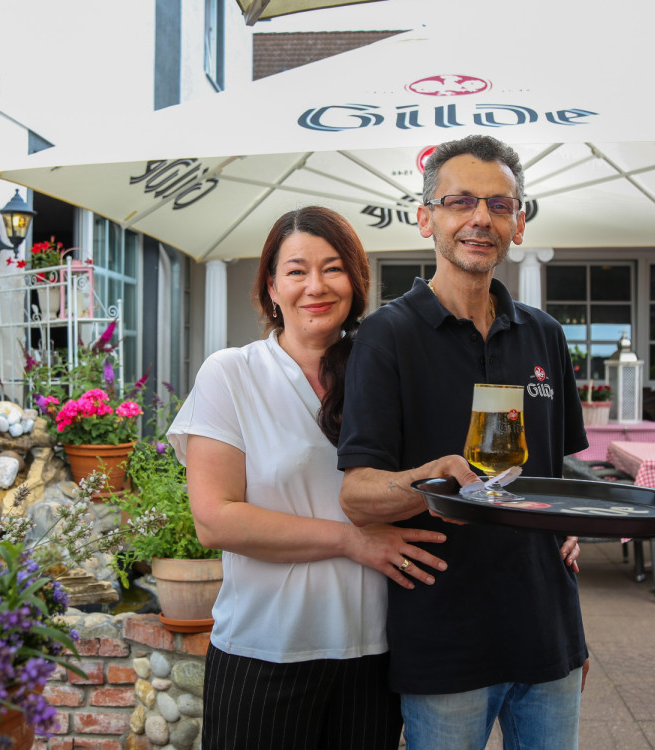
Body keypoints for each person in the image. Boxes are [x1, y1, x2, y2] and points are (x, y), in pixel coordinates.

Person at [337, 134, 590, 750]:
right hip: (446, 641)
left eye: (500, 204)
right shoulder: (386, 338)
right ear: (427, 218)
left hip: (547, 635)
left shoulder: (545, 336)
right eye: (461, 201)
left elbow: (553, 478)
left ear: (519, 224)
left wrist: (568, 527)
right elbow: (358, 495)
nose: (481, 217)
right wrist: (437, 482)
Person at [166, 206, 448, 750]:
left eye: (334, 268)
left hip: (373, 655)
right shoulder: (233, 373)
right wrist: (352, 541)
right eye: (296, 270)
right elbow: (216, 521)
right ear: (271, 286)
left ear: (356, 282)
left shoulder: (387, 372)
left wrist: (549, 531)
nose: (314, 286)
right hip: (265, 650)